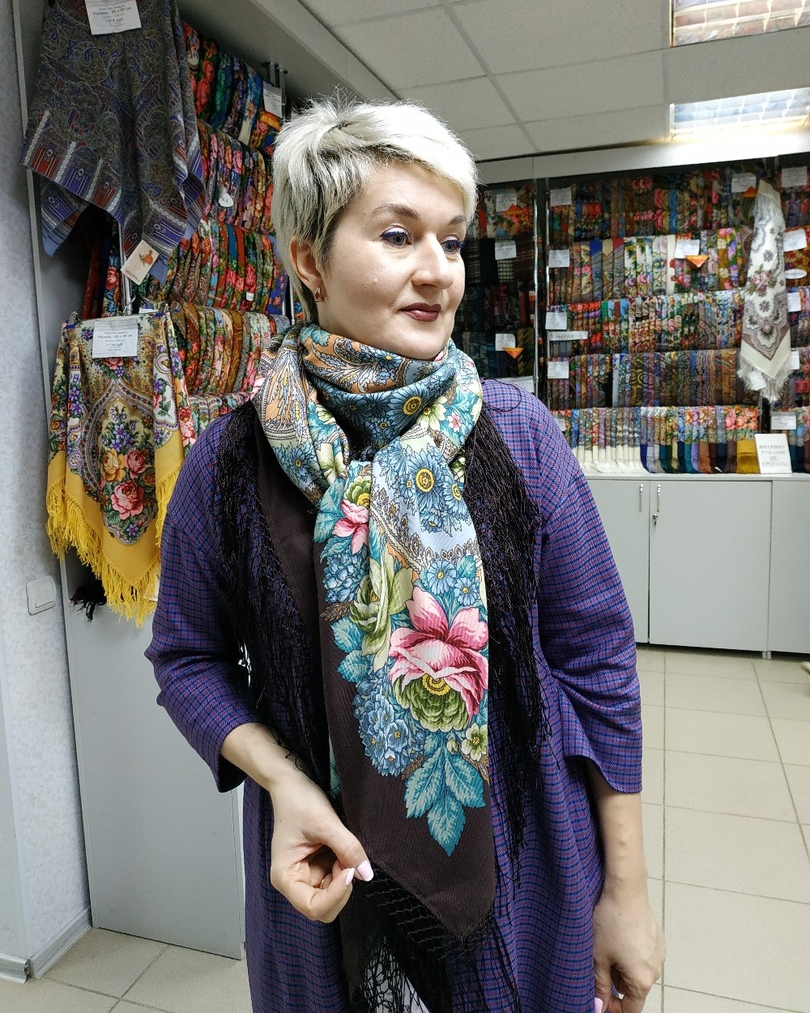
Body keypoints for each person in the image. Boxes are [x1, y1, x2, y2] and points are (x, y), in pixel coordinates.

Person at [146, 97, 664, 1013]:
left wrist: (625, 893)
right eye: (398, 236)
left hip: (523, 880)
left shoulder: (518, 437)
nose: (438, 272)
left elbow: (597, 665)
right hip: (324, 889)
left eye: (452, 241)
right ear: (309, 261)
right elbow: (188, 658)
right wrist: (283, 782)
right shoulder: (229, 462)